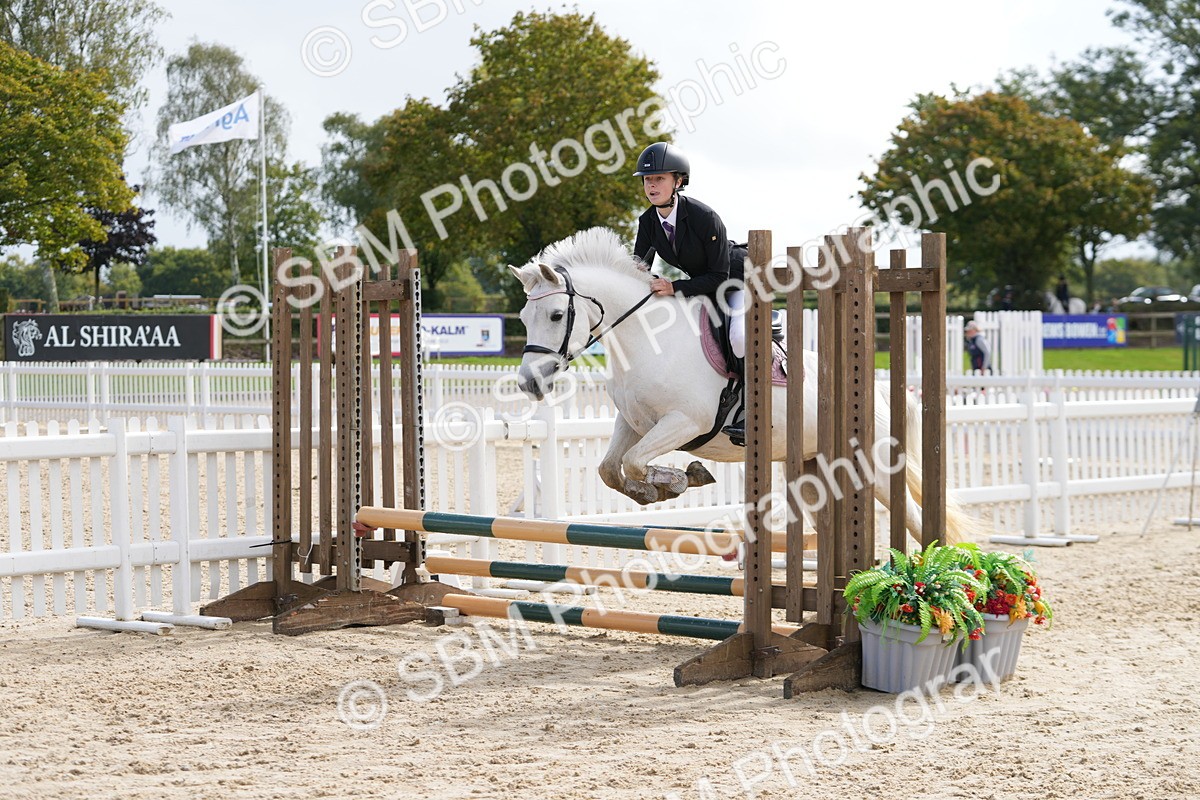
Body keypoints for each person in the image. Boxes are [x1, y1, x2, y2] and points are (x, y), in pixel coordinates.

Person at [631, 142, 749, 441]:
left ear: (678, 181)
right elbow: (638, 268)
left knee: (737, 337)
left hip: (739, 280)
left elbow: (719, 275)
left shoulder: (703, 216)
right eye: (647, 179)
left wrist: (674, 287)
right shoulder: (648, 222)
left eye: (659, 178)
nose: (652, 185)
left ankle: (752, 411)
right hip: (704, 285)